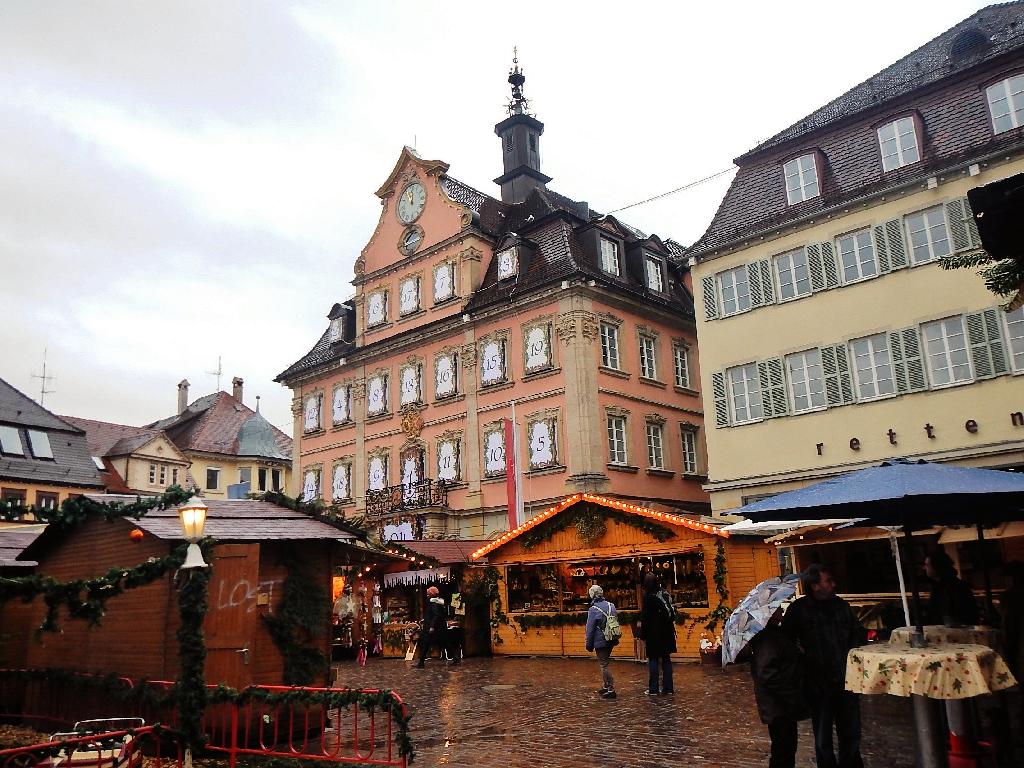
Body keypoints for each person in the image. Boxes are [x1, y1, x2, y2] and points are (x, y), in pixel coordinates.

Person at [783, 564, 866, 768]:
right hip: (817, 683)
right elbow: (786, 642)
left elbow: (857, 632)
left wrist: (854, 653)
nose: (833, 584)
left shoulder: (841, 606)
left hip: (846, 680)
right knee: (823, 736)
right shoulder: (799, 610)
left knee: (851, 732)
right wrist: (801, 657)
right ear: (815, 586)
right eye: (827, 581)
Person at [749, 606, 808, 768]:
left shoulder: (775, 633)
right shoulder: (767, 638)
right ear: (767, 614)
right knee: (783, 751)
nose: (781, 611)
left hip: (782, 705)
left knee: (786, 749)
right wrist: (789, 695)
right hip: (779, 706)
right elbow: (766, 672)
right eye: (776, 609)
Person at [639, 572, 676, 695]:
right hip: (667, 631)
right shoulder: (664, 593)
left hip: (653, 633)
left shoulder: (648, 597)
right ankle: (668, 688)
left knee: (653, 660)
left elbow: (645, 617)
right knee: (666, 659)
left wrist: (642, 634)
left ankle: (653, 689)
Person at [924, 549, 979, 627]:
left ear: (937, 566)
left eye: (927, 565)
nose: (925, 568)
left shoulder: (956, 587)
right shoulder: (937, 586)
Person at [584, 584, 617, 699]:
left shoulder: (593, 609)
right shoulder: (611, 605)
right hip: (611, 638)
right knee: (605, 661)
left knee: (604, 665)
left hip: (600, 640)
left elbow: (590, 629)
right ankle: (606, 685)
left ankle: (610, 689)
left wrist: (588, 644)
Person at [415, 586, 455, 667]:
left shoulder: (433, 602)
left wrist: (431, 626)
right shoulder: (439, 601)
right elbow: (436, 614)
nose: (427, 595)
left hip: (434, 627)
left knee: (425, 643)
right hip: (440, 627)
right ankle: (456, 657)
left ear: (431, 594)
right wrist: (425, 619)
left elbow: (435, 615)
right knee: (445, 643)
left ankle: (421, 663)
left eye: (428, 593)